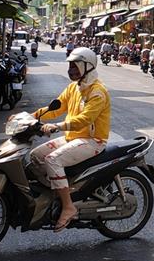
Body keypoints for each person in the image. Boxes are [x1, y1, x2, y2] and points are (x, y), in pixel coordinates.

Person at [29, 48, 111, 231]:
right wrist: (31, 116)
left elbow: (85, 119)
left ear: (87, 66)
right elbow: (56, 108)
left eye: (75, 65)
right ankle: (56, 193)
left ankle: (68, 206)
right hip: (72, 138)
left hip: (93, 141)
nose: (71, 69)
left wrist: (57, 126)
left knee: (52, 159)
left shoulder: (97, 92)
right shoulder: (74, 87)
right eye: (70, 65)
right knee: (35, 156)